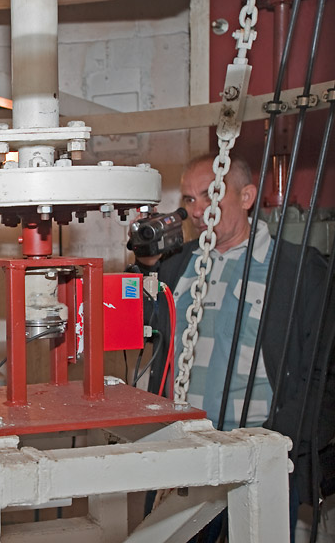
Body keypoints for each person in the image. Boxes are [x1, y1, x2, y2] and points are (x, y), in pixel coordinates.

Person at [132, 154, 335, 541]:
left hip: (259, 460)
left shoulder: (297, 270)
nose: (198, 210)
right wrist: (144, 266)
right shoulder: (176, 267)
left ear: (247, 197)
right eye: (189, 199)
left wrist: (282, 443)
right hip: (182, 456)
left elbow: (324, 377)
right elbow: (138, 329)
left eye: (210, 195)